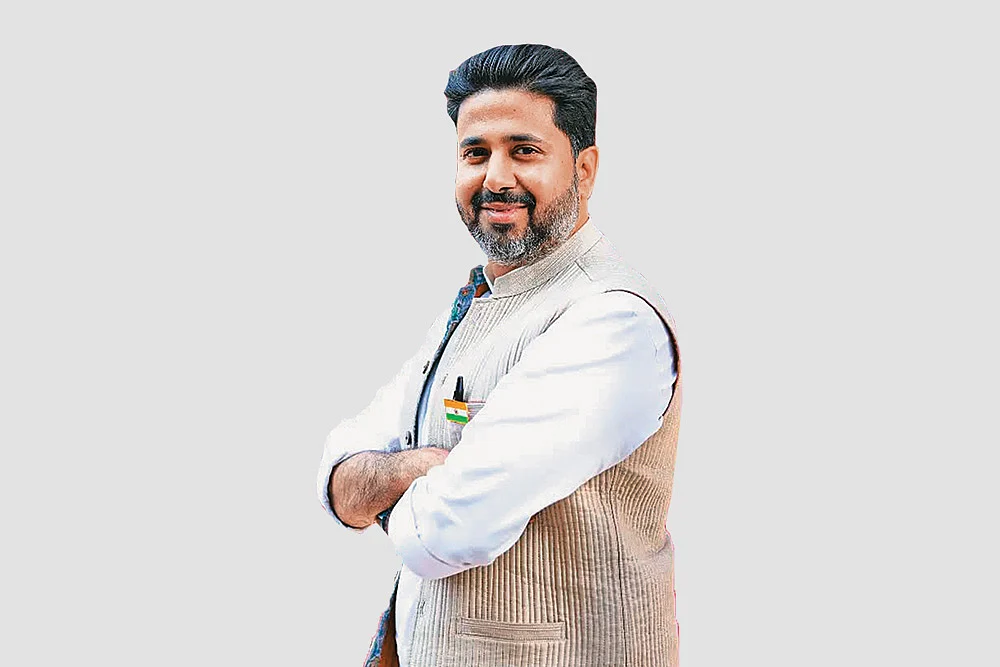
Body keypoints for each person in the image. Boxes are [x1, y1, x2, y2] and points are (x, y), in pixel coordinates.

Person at [317, 44, 683, 667]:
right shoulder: (479, 303)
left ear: (585, 168)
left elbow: (443, 533)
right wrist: (418, 468)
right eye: (475, 153)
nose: (496, 178)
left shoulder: (612, 320)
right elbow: (338, 478)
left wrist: (385, 485)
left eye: (524, 150)